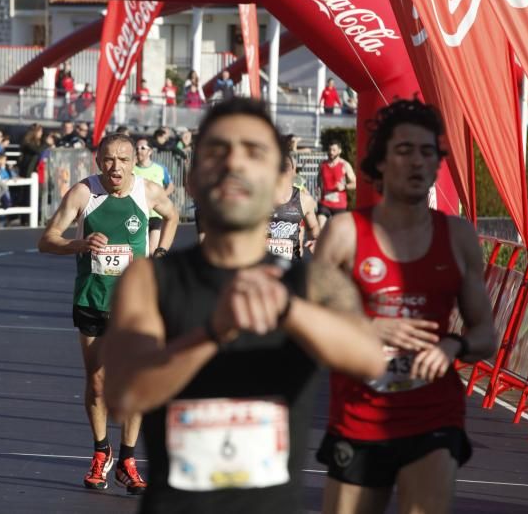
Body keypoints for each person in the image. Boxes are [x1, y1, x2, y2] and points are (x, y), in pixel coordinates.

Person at [102, 97, 385, 513]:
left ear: (278, 183)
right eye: (218, 152)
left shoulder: (314, 282)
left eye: (253, 153)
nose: (235, 164)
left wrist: (288, 310)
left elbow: (369, 359)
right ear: (193, 182)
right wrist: (212, 333)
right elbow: (123, 394)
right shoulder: (149, 279)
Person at [313, 99, 497, 514]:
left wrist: (453, 347)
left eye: (427, 152)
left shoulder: (458, 236)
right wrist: (366, 330)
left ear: (437, 165)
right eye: (404, 151)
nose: (417, 162)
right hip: (359, 412)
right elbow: (307, 320)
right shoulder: (345, 233)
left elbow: (485, 334)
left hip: (433, 412)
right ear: (379, 163)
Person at [38, 133, 179, 495]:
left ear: (135, 162)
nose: (116, 167)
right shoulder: (84, 194)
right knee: (98, 382)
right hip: (92, 298)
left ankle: (129, 461)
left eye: (124, 160)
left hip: (134, 306)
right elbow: (47, 238)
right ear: (99, 161)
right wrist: (78, 244)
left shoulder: (147, 192)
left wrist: (160, 254)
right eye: (109, 160)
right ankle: (102, 452)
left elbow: (172, 215)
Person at [268, 152, 320, 261]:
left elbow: (313, 227)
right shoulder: (259, 197)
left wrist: (315, 240)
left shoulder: (304, 200)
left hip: (291, 264)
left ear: (293, 170)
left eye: (285, 166)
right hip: (263, 265)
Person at [132, 138, 175, 253]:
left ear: (150, 151)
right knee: (139, 251)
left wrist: (160, 198)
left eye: (142, 148)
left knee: (152, 250)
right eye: (136, 148)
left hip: (156, 214)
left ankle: (152, 270)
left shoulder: (160, 168)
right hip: (137, 215)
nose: (138, 150)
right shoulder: (132, 169)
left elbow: (170, 186)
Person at [317, 140, 356, 229]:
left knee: (338, 233)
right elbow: (319, 178)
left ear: (339, 151)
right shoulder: (322, 164)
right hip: (324, 203)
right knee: (320, 229)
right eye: (330, 150)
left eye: (334, 150)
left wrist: (344, 186)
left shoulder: (344, 165)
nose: (331, 152)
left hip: (339, 205)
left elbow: (355, 183)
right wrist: (319, 188)